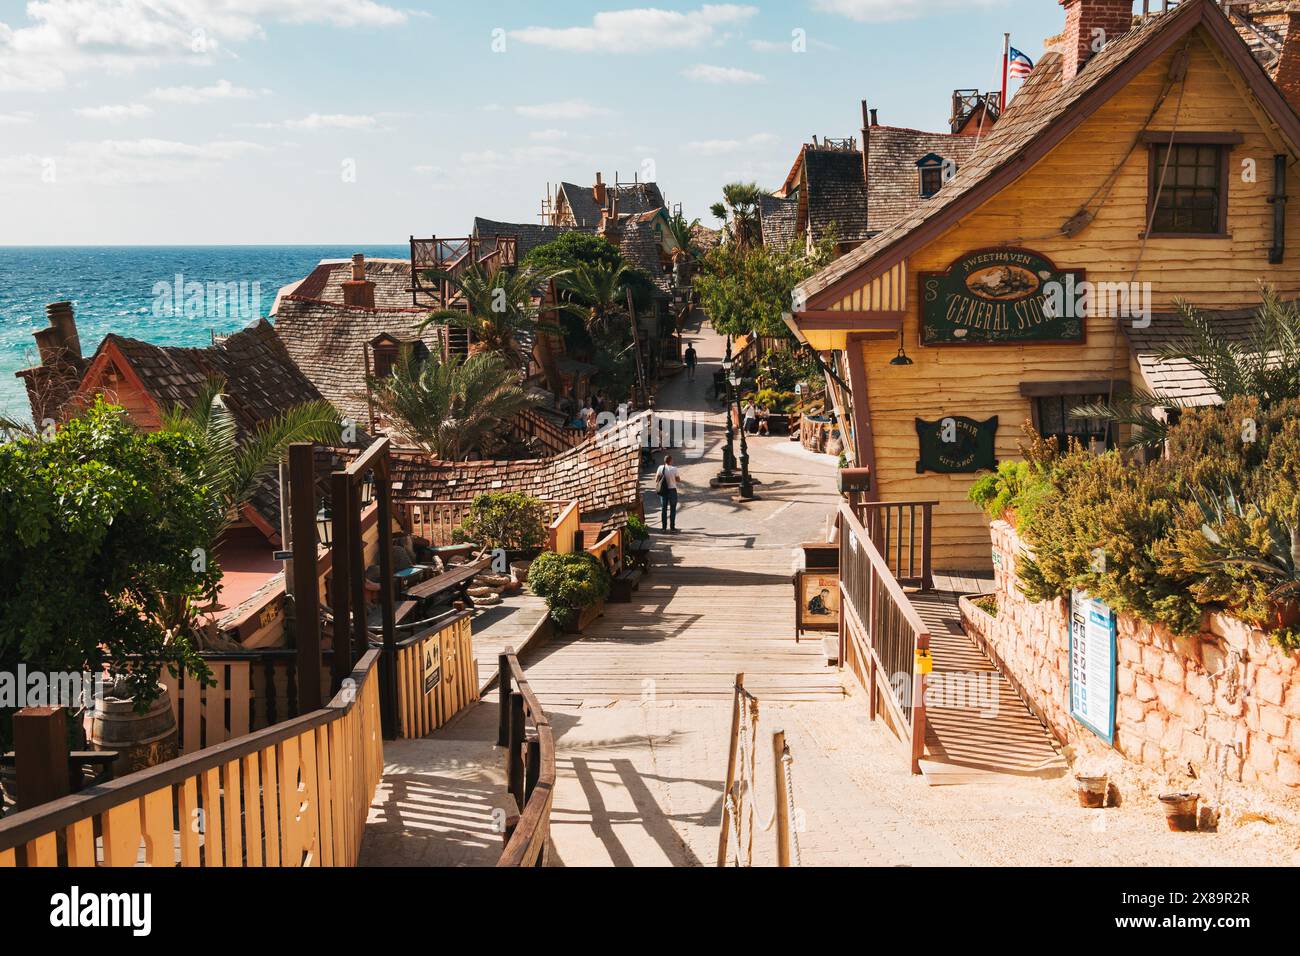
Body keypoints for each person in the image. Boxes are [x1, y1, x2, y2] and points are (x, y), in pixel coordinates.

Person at [654, 453, 680, 533]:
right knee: (673, 509)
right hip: (672, 490)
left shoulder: (660, 468)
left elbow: (656, 479)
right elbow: (678, 480)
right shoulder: (674, 469)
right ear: (670, 461)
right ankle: (672, 527)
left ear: (664, 461)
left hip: (663, 491)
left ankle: (664, 528)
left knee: (664, 509)